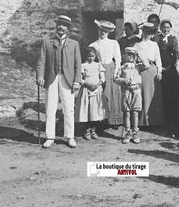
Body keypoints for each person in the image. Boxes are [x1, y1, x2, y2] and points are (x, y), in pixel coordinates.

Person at [36, 14, 82, 149]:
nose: (61, 27)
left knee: (68, 109)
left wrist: (77, 81)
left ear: (68, 28)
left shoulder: (74, 44)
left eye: (65, 25)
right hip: (51, 78)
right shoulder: (47, 42)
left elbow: (77, 64)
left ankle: (70, 136)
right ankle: (50, 137)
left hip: (67, 79)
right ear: (56, 26)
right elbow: (41, 60)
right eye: (60, 24)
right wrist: (40, 76)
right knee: (50, 108)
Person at [89, 20, 123, 128]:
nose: (102, 32)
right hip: (99, 69)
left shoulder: (114, 43)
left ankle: (114, 120)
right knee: (100, 94)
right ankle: (100, 120)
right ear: (98, 30)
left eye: (105, 31)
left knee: (113, 93)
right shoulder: (94, 45)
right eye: (101, 30)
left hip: (111, 68)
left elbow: (118, 58)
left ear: (108, 32)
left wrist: (116, 71)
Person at [134, 22, 165, 127]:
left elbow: (158, 59)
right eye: (145, 32)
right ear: (142, 32)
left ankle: (153, 121)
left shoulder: (154, 44)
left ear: (152, 34)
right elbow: (133, 60)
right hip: (140, 70)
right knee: (141, 94)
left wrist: (159, 71)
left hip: (152, 71)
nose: (146, 34)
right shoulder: (136, 45)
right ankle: (140, 122)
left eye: (149, 32)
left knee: (151, 95)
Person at [75, 47, 108, 140]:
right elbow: (80, 78)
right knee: (87, 110)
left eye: (92, 56)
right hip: (86, 90)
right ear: (85, 56)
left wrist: (97, 85)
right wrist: (87, 83)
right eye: (89, 56)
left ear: (95, 56)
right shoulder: (83, 66)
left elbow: (102, 78)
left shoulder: (98, 65)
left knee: (95, 110)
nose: (90, 58)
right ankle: (86, 130)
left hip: (96, 90)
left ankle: (93, 130)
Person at [155, 19, 179, 128]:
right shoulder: (157, 38)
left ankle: (170, 119)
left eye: (168, 28)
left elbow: (175, 55)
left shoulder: (173, 39)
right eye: (164, 27)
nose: (166, 29)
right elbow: (155, 53)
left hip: (170, 70)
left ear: (170, 29)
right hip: (159, 69)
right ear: (161, 28)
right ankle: (161, 119)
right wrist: (160, 67)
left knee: (170, 94)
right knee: (160, 94)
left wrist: (169, 67)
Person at [115, 47, 143, 144]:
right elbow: (116, 79)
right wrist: (124, 80)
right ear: (126, 55)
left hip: (136, 91)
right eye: (129, 54)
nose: (130, 56)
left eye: (133, 55)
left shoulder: (139, 66)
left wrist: (139, 56)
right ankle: (127, 132)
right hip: (126, 91)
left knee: (135, 112)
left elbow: (147, 65)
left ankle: (135, 132)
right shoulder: (123, 67)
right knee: (126, 112)